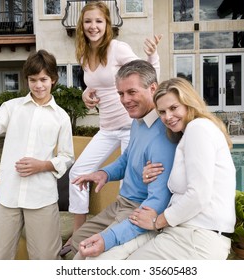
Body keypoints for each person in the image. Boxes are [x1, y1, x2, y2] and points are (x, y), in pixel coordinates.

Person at [65, 1, 162, 253]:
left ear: (107, 24)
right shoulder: (85, 55)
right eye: (88, 21)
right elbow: (96, 85)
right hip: (107, 127)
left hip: (131, 126)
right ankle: (77, 232)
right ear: (82, 25)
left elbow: (145, 74)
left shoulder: (118, 48)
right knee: (78, 172)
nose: (93, 26)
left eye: (98, 21)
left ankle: (118, 239)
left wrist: (152, 55)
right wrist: (86, 93)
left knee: (127, 188)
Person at [0, 50, 74, 260]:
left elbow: (67, 156)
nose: (38, 85)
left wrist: (43, 165)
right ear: (27, 80)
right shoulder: (11, 108)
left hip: (42, 197)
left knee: (45, 259)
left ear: (54, 79)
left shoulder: (61, 117)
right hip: (9, 196)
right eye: (33, 80)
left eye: (43, 79)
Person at [70, 59, 177, 259]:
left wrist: (108, 239)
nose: (125, 99)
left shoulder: (164, 135)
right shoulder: (138, 121)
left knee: (84, 254)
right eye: (121, 93)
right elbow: (127, 157)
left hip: (137, 209)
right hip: (121, 202)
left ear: (153, 88)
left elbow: (158, 201)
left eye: (131, 92)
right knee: (77, 239)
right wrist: (104, 173)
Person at [126, 77, 236, 260]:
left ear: (188, 104)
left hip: (197, 239)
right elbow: (185, 182)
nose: (167, 116)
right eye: (162, 112)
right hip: (188, 234)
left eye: (173, 108)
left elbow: (198, 195)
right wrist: (151, 174)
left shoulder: (198, 129)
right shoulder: (190, 133)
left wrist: (156, 222)